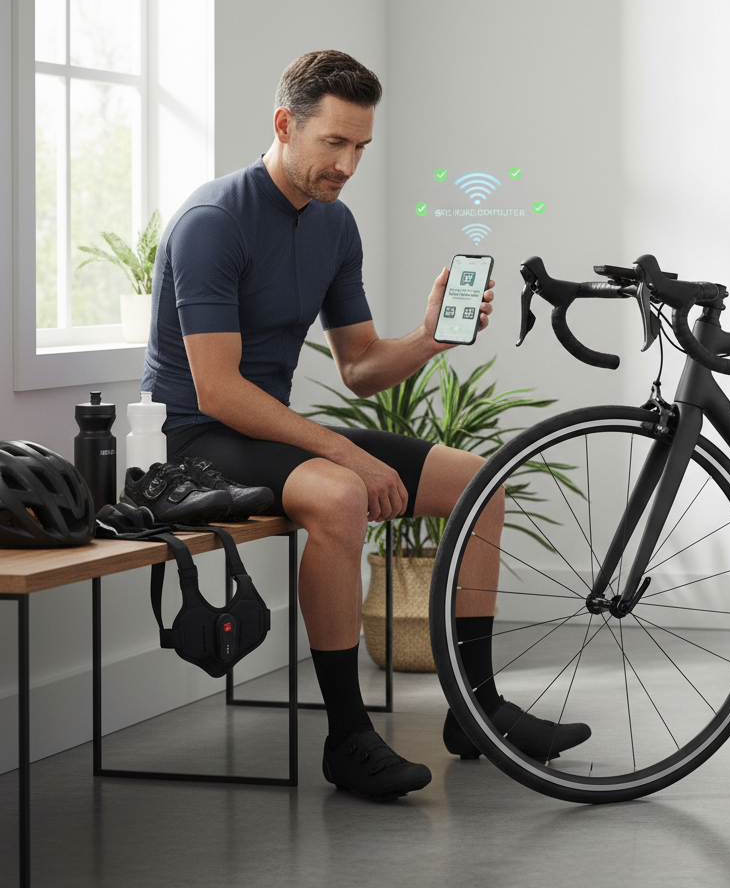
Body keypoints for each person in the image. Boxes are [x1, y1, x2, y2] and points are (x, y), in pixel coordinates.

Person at [141, 50, 589, 802]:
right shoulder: (212, 222)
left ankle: (475, 710)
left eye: (360, 148)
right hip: (201, 443)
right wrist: (343, 452)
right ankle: (347, 737)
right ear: (286, 125)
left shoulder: (333, 226)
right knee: (343, 495)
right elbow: (218, 392)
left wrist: (429, 337)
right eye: (334, 144)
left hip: (272, 434)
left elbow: (359, 367)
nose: (347, 164)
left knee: (483, 483)